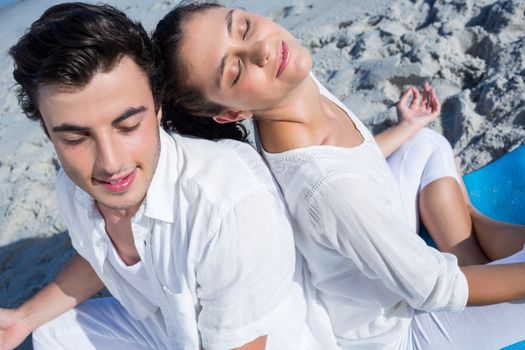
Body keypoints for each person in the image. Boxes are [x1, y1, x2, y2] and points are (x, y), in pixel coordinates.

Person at [152, 2, 525, 349]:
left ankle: (471, 244)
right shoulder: (328, 188)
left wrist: (405, 127)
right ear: (232, 115)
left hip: (377, 254)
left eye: (244, 27)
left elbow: (352, 165)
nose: (260, 50)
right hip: (401, 330)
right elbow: (435, 288)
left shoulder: (291, 83)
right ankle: (472, 235)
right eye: (234, 71)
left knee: (426, 143)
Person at [0, 3, 339, 350]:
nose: (110, 164)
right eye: (75, 139)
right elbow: (99, 252)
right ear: (47, 132)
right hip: (177, 330)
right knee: (52, 334)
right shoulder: (74, 190)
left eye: (128, 126)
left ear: (158, 106)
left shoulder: (228, 207)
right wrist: (22, 319)